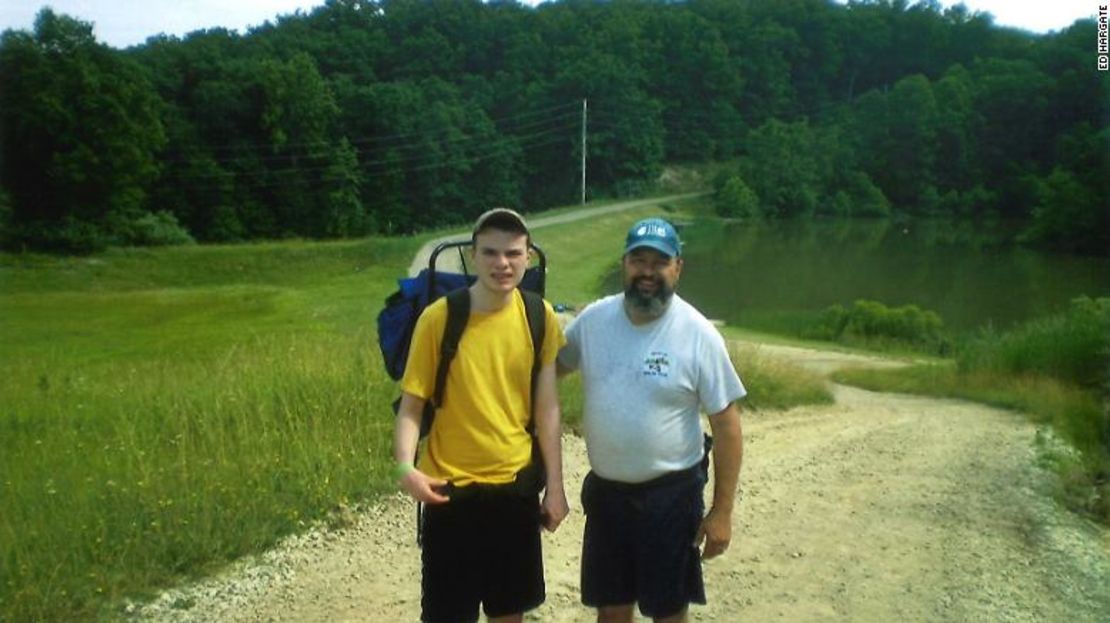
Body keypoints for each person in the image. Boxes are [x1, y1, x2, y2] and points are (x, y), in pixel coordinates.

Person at [557, 217, 745, 623]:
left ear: (677, 267)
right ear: (624, 264)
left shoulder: (698, 333)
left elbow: (727, 425)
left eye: (659, 262)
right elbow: (548, 370)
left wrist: (721, 512)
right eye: (638, 260)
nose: (647, 271)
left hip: (672, 496)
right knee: (610, 607)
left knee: (668, 609)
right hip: (607, 496)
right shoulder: (593, 321)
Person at [393, 208, 569, 623]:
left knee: (509, 613)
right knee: (449, 614)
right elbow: (411, 405)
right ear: (473, 257)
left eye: (513, 253)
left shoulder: (538, 316)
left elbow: (547, 409)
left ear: (528, 257)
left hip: (514, 491)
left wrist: (556, 489)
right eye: (490, 253)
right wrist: (405, 467)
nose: (501, 264)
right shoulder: (439, 319)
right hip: (449, 492)